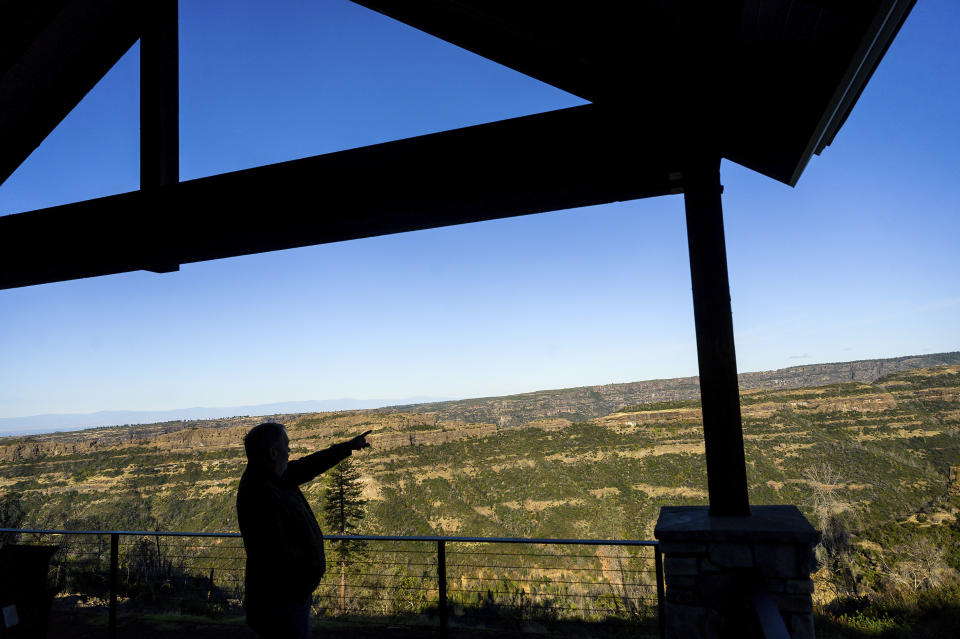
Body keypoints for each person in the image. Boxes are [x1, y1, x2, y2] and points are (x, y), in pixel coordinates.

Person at [237, 422, 371, 639]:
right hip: (282, 602)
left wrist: (348, 447)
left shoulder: (272, 477)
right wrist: (305, 578)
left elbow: (309, 465)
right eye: (286, 446)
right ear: (273, 453)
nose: (289, 451)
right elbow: (277, 553)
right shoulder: (260, 493)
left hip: (286, 598)